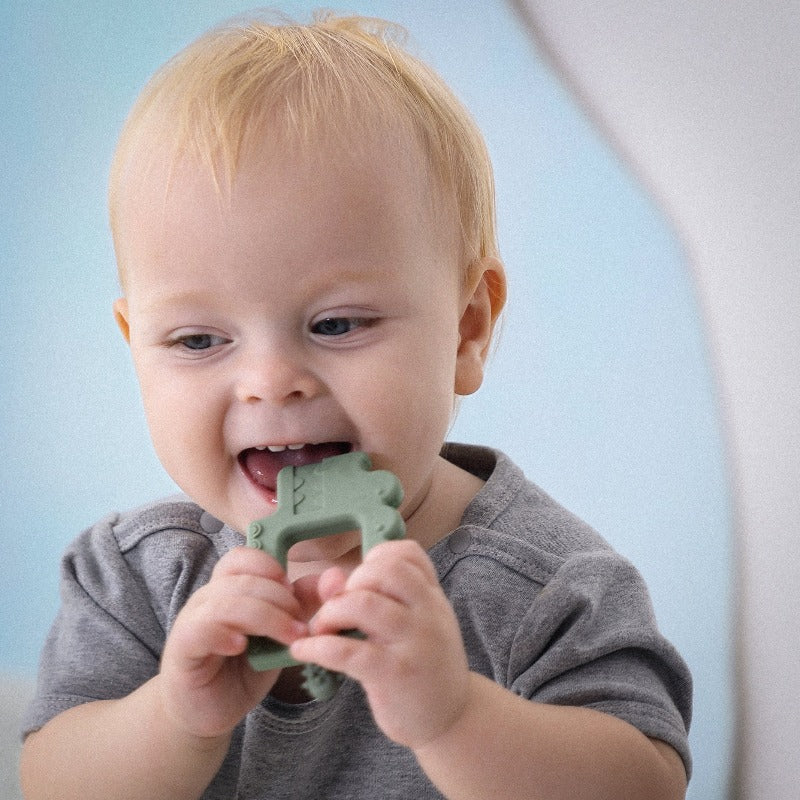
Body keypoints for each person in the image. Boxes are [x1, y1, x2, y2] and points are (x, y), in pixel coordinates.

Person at [20, 11, 691, 800]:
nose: (271, 382)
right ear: (135, 344)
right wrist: (176, 718)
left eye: (336, 324)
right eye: (199, 341)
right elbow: (49, 781)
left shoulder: (547, 584)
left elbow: (646, 785)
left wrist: (454, 718)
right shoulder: (137, 576)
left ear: (467, 330)